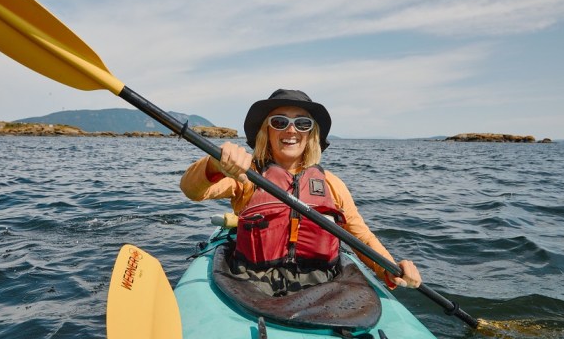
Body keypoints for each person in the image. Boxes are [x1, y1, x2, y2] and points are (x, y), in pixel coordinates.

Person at [180, 89, 421, 296]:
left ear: (311, 134)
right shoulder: (245, 176)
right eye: (280, 122)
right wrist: (214, 164)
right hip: (251, 283)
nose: (291, 130)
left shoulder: (331, 184)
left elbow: (361, 236)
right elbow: (192, 190)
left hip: (320, 286)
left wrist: (389, 268)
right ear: (267, 132)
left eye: (302, 123)